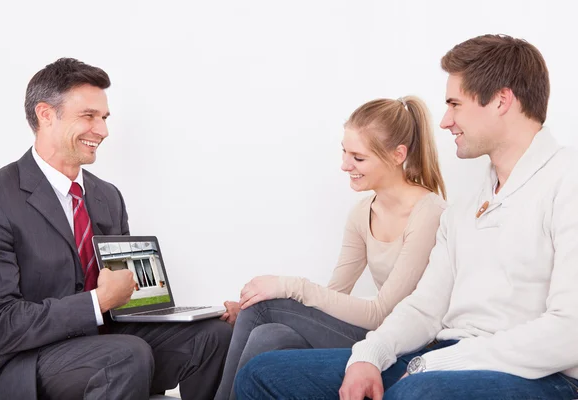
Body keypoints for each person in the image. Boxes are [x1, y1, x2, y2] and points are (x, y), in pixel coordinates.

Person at [234, 34, 578, 400]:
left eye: (454, 104)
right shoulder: (465, 206)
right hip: (445, 356)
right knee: (263, 374)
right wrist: (368, 355)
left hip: (543, 376)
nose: (445, 121)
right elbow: (425, 309)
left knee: (416, 394)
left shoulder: (566, 179)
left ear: (500, 100)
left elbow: (569, 331)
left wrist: (437, 365)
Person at [0, 58, 232, 400]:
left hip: (105, 340)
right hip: (25, 361)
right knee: (125, 355)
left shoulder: (106, 196)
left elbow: (125, 302)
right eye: (89, 116)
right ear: (45, 114)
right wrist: (97, 301)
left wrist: (193, 314)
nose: (103, 130)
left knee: (213, 336)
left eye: (104, 118)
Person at [214, 96, 447, 399]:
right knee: (268, 331)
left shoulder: (429, 213)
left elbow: (382, 314)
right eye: (344, 152)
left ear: (397, 155)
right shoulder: (363, 212)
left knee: (265, 305)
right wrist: (262, 312)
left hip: (407, 340)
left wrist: (288, 289)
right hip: (375, 332)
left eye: (358, 158)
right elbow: (335, 296)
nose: (345, 165)